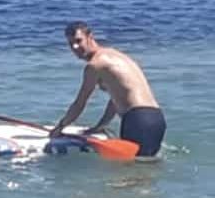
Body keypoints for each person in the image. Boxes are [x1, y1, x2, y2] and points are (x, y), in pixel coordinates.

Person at [49, 21, 166, 156]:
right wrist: (100, 126)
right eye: (71, 44)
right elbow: (116, 100)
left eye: (78, 41)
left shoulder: (95, 65)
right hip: (156, 119)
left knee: (130, 174)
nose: (75, 47)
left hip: (138, 121)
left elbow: (80, 103)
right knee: (145, 169)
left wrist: (60, 127)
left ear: (90, 37)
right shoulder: (114, 55)